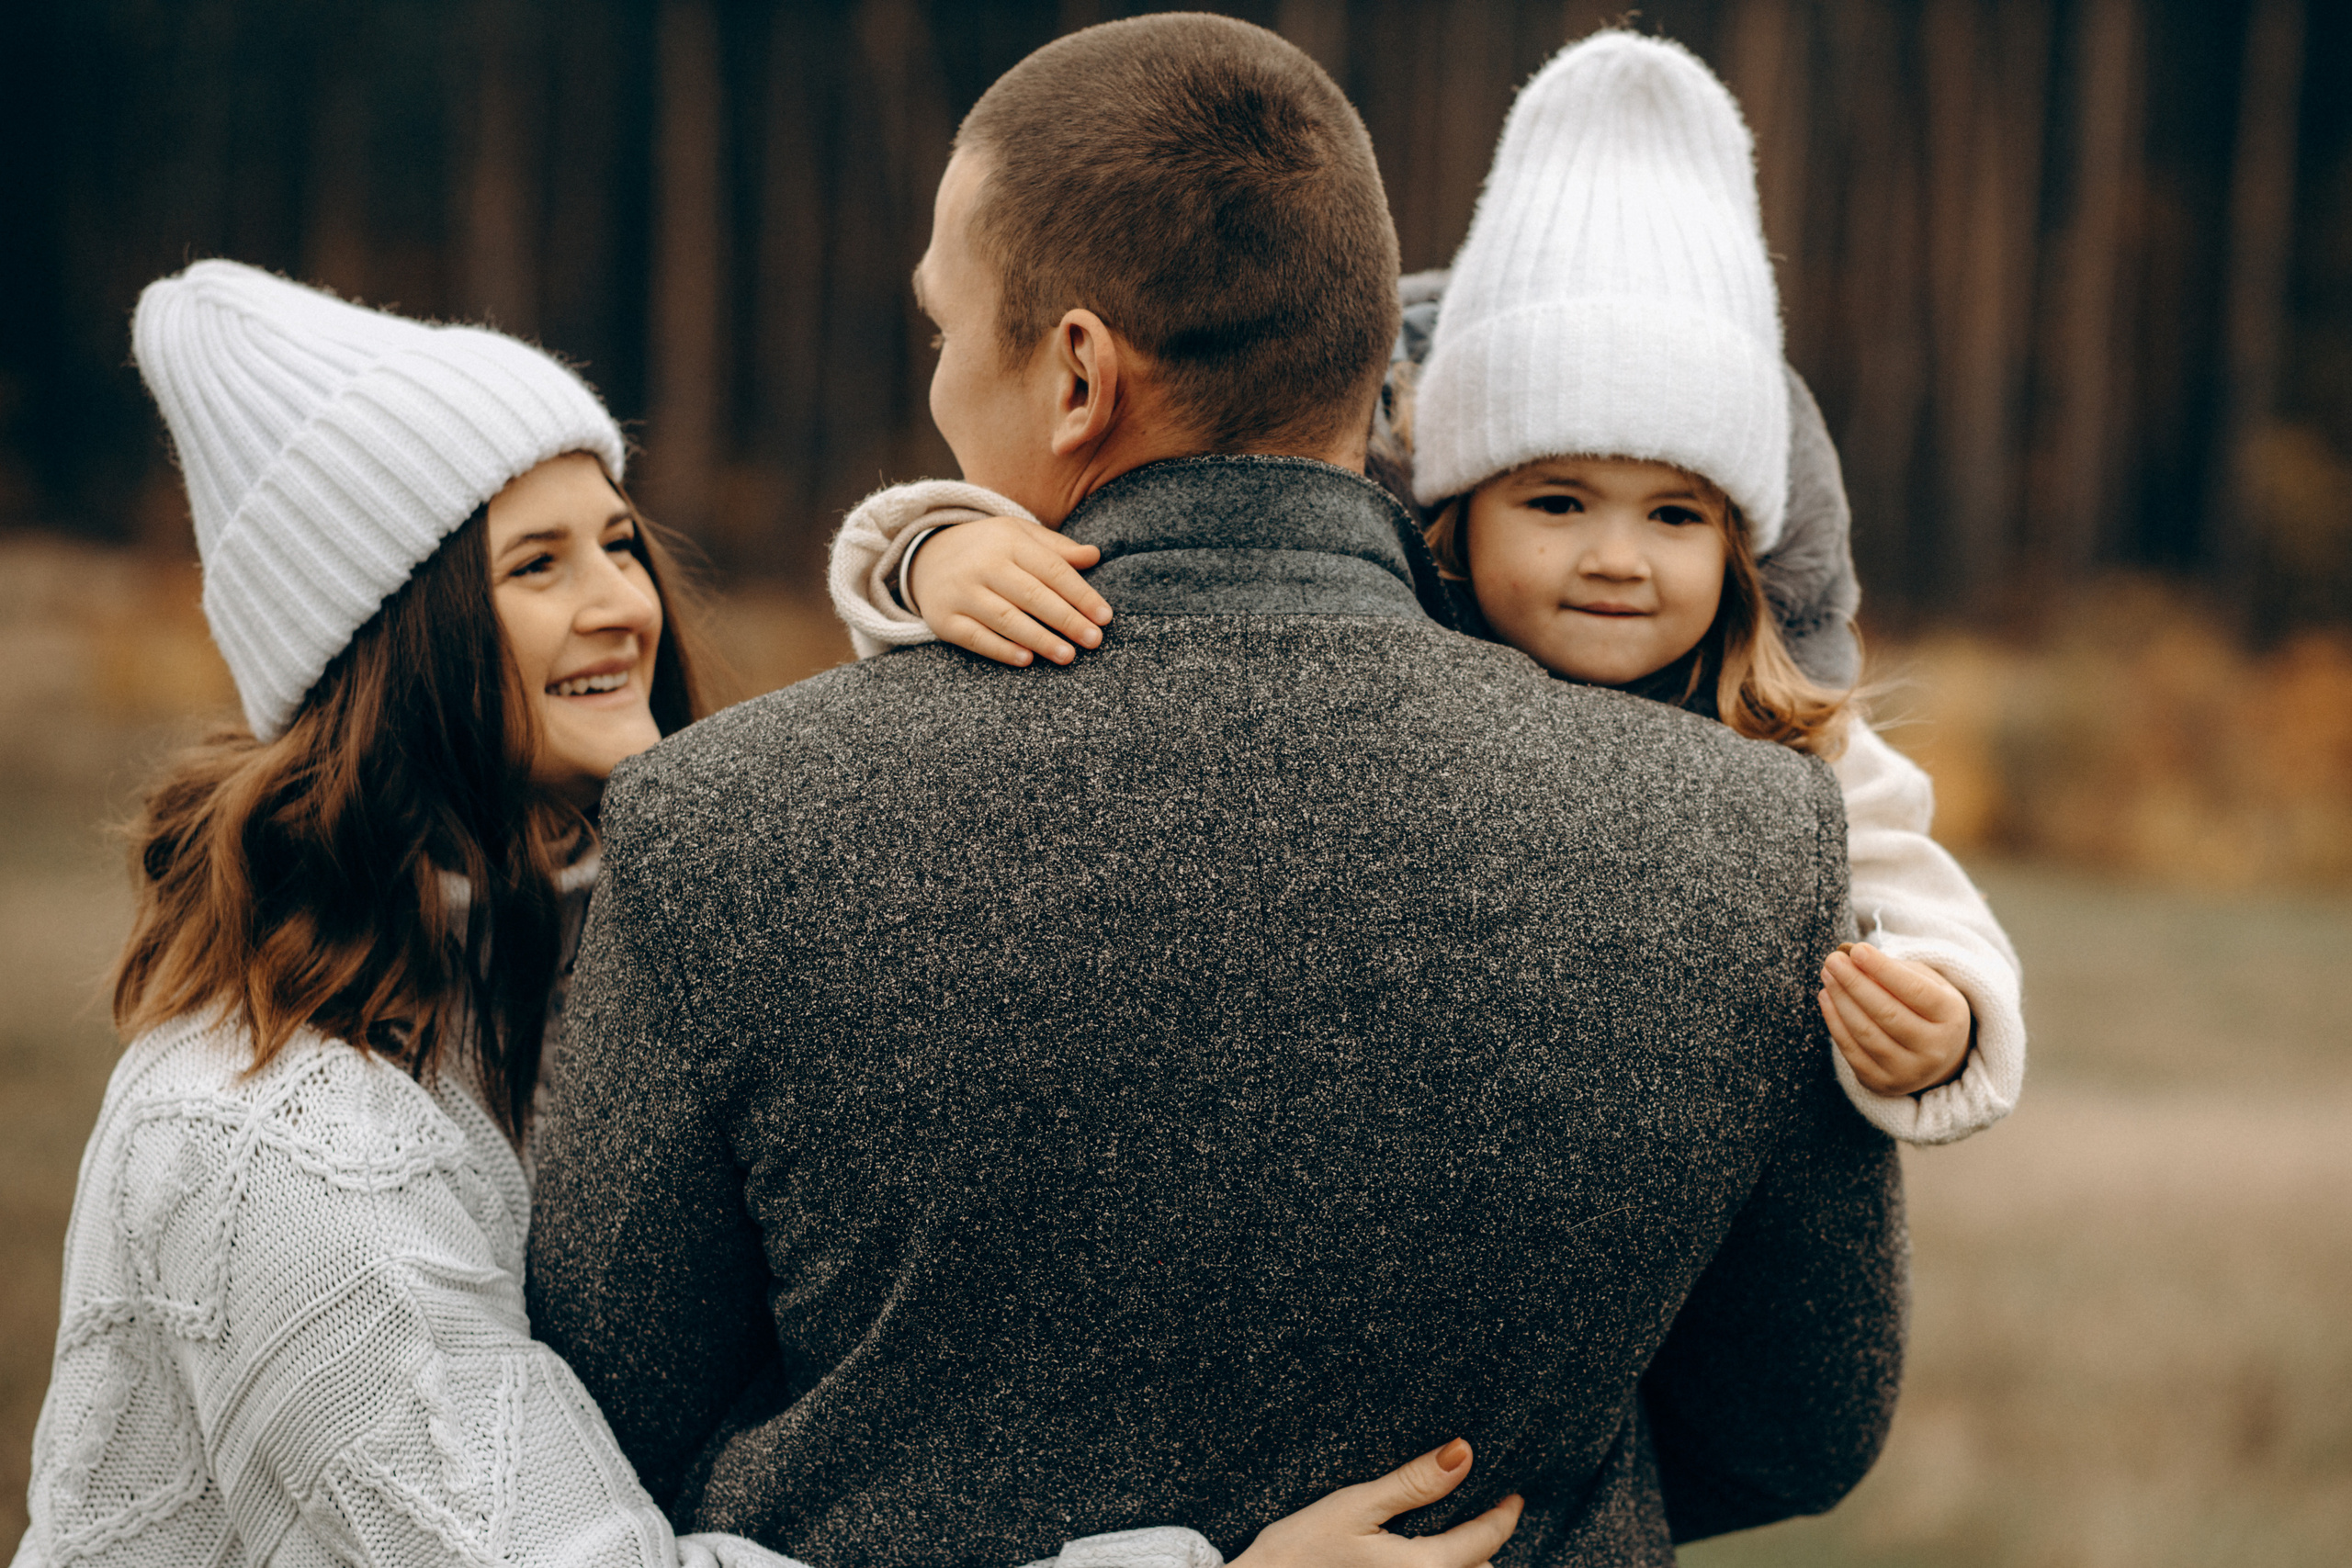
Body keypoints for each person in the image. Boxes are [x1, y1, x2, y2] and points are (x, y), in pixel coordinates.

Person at [526, 16, 1905, 1568]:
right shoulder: (1744, 837)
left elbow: (599, 1419)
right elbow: (1798, 1423)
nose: (935, 385)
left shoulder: (727, 829)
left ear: (1075, 376)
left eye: (942, 330)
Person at [20, 261, 1487, 1568]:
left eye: (615, 541)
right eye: (535, 567)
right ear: (388, 649)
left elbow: (859, 836)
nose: (623, 605)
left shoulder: (591, 955)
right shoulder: (272, 1143)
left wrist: (926, 563)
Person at [827, 30, 2024, 1148]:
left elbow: (1921, 901)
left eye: (1675, 516)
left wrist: (1947, 1019)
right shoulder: (1381, 634)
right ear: (1455, 515)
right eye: (1557, 504)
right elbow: (1087, 586)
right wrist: (935, 550)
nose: (1617, 556)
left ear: (1740, 548)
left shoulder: (1793, 745)